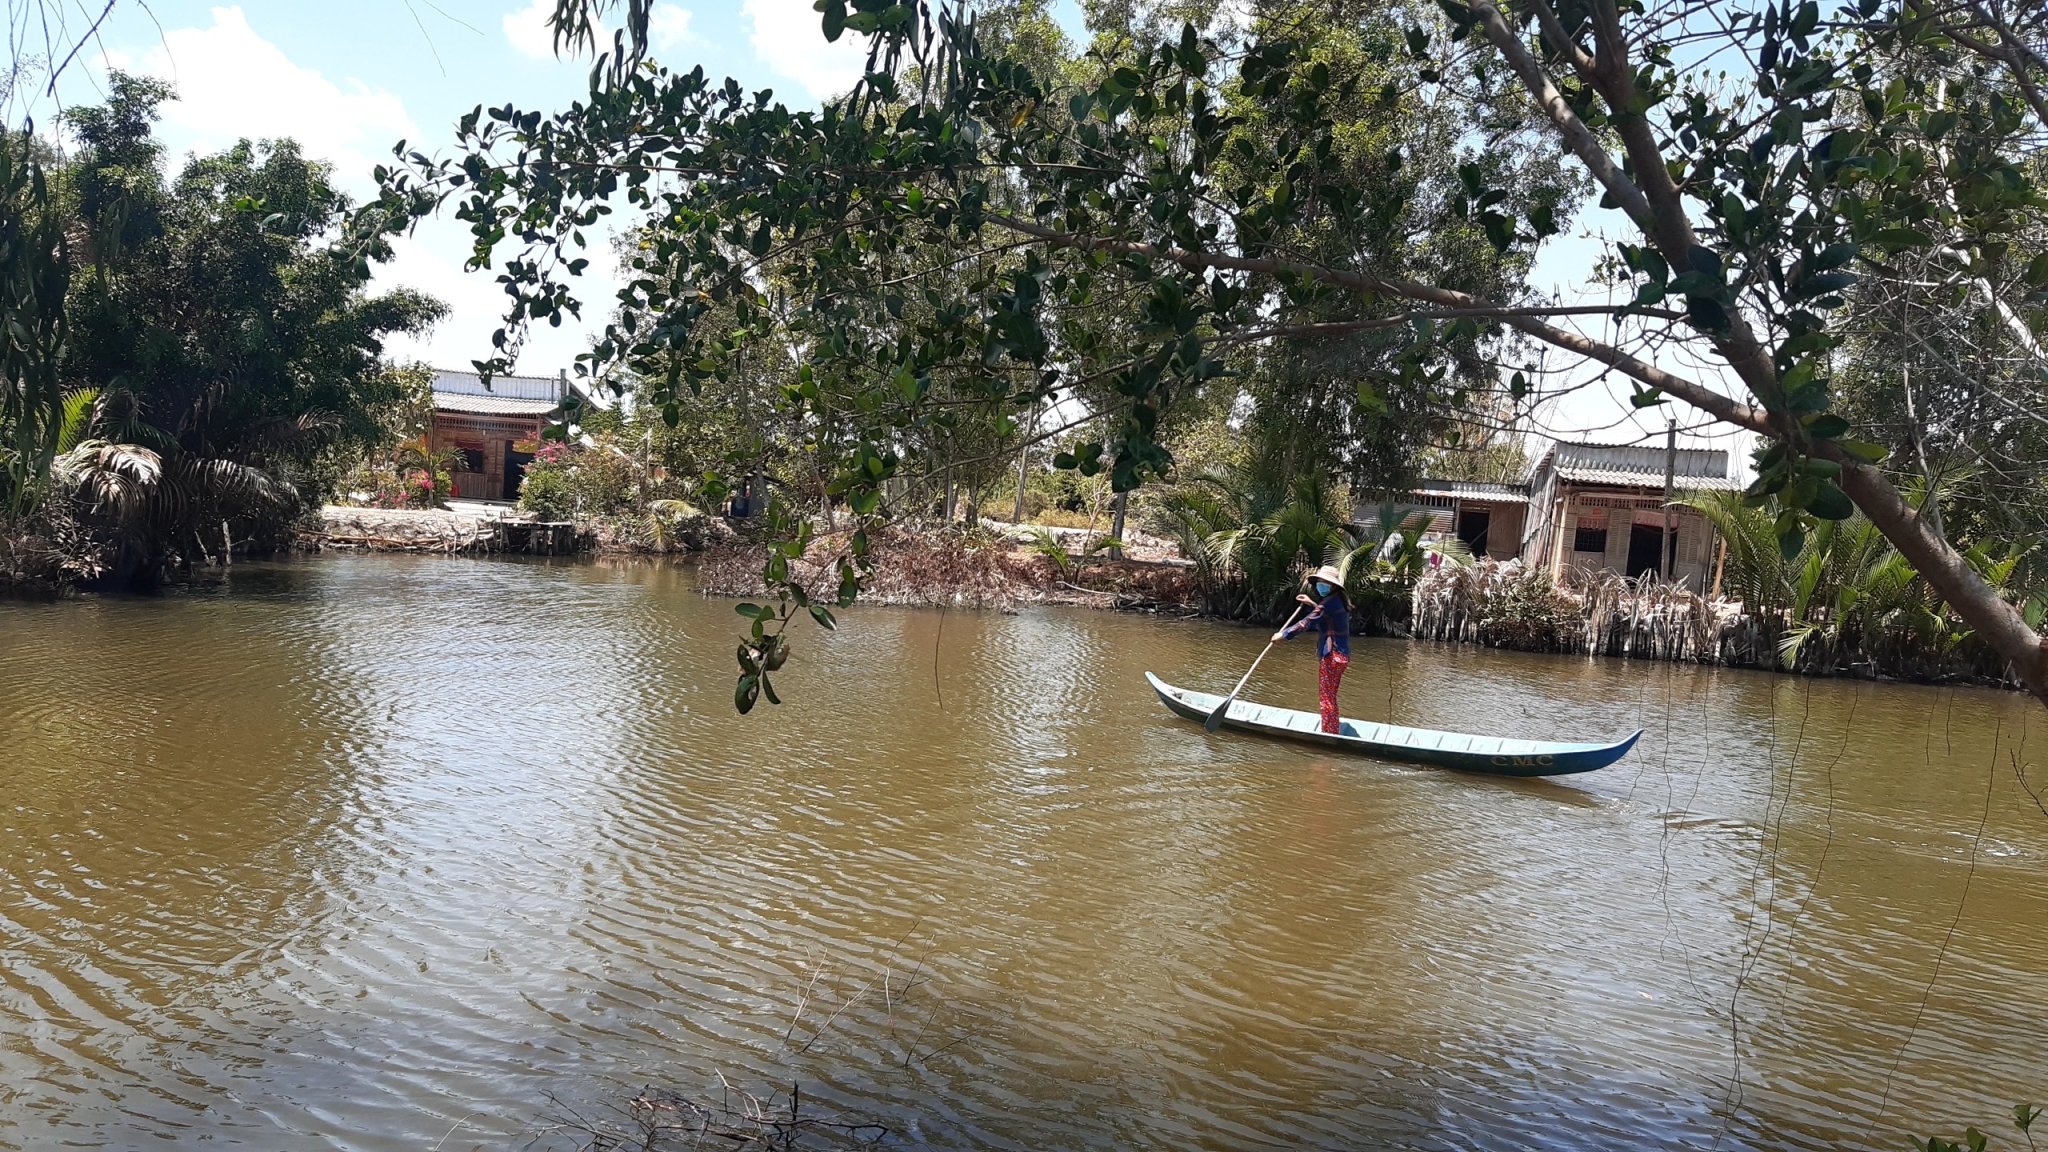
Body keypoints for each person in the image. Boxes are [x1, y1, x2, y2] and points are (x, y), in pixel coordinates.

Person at [1272, 564, 1351, 734]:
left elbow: (1307, 622)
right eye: (1319, 582)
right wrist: (1311, 603)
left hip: (1332, 655)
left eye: (1324, 583)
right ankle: (1332, 729)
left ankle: (1329, 734)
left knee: (1327, 698)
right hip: (1342, 656)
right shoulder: (1338, 600)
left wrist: (1283, 635)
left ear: (1333, 586)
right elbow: (1323, 617)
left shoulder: (1329, 602)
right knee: (1330, 695)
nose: (1321, 586)